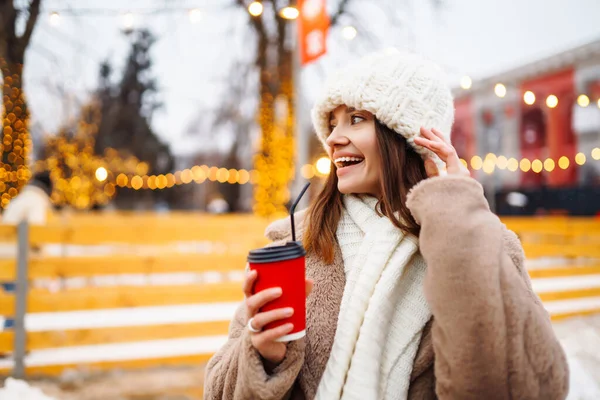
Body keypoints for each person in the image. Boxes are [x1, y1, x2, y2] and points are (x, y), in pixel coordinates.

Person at [204, 50, 569, 399]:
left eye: (356, 119)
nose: (332, 138)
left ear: (410, 138)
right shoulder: (296, 244)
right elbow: (217, 392)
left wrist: (458, 215)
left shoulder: (479, 243)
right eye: (332, 124)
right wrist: (262, 356)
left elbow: (534, 385)